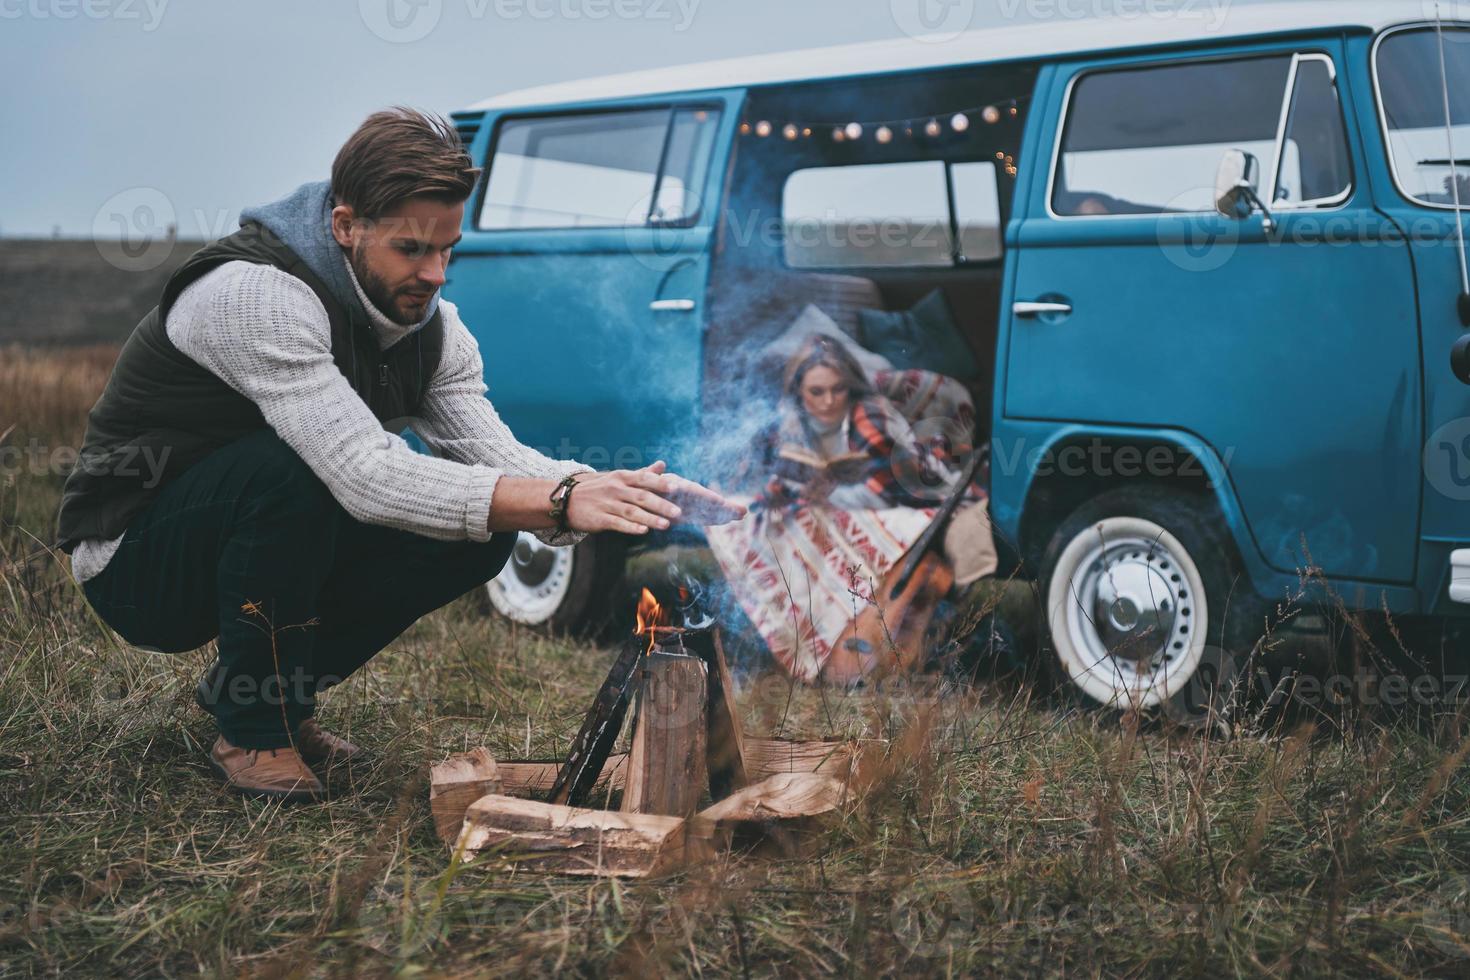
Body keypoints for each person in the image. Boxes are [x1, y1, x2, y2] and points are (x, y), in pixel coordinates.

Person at [55, 107, 742, 803]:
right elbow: (363, 475)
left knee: (476, 535)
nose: (436, 274)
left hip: (260, 536)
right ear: (346, 226)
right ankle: (253, 727)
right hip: (138, 563)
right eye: (411, 249)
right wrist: (557, 501)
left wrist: (607, 488)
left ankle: (274, 696)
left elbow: (490, 453)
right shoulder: (254, 295)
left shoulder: (433, 327)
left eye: (448, 250)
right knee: (287, 470)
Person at [706, 334, 997, 686]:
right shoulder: (789, 421)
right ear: (799, 391)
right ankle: (822, 636)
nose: (829, 401)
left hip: (892, 505)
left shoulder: (869, 415)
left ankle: (875, 641)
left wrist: (837, 490)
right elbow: (773, 481)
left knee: (841, 525)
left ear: (850, 387)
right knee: (770, 524)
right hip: (833, 508)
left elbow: (907, 488)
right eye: (817, 392)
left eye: (838, 390)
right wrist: (795, 491)